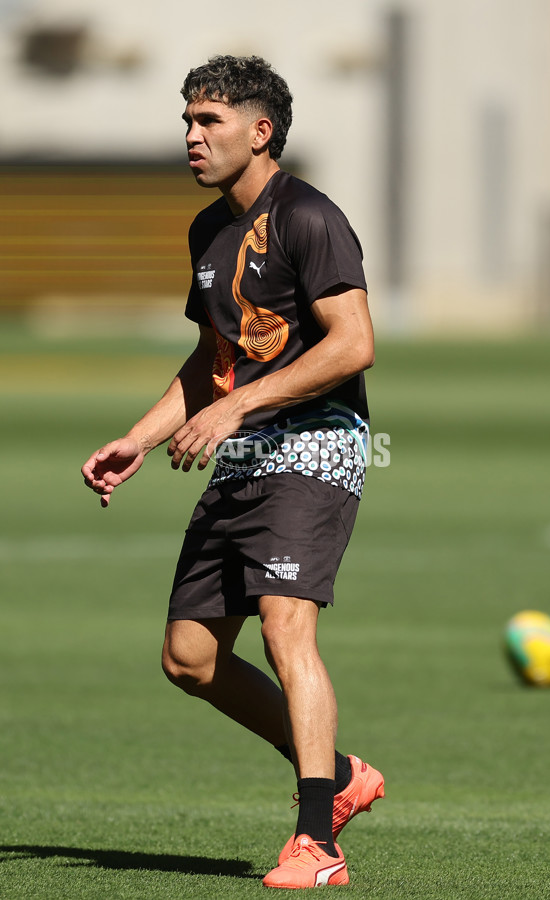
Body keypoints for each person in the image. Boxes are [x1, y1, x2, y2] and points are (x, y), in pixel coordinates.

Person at [81, 54, 384, 889]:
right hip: (246, 446)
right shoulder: (207, 230)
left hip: (317, 442)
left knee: (287, 625)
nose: (191, 136)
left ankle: (318, 841)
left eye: (208, 122)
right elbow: (211, 356)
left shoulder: (311, 217)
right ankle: (343, 772)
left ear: (261, 132)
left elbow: (353, 344)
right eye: (186, 120)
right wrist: (139, 439)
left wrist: (237, 408)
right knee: (190, 658)